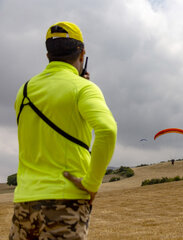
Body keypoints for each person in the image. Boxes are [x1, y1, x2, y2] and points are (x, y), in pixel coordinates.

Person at [9, 21, 117, 239]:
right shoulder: (84, 89)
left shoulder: (25, 90)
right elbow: (107, 131)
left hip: (24, 202)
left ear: (48, 55)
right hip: (65, 200)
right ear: (82, 53)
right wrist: (92, 184)